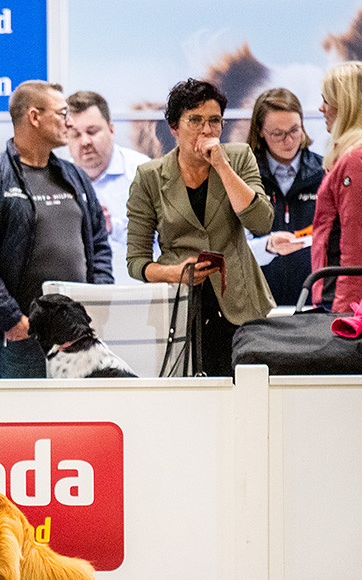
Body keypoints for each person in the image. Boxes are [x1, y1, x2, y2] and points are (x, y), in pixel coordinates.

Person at [0, 80, 113, 379]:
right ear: (34, 117)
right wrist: (12, 320)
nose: (69, 122)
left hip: (79, 339)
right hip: (23, 338)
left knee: (79, 423)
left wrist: (99, 299)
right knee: (24, 424)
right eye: (62, 113)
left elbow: (98, 244)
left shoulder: (75, 177)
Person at [126, 78, 274, 376]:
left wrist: (222, 166)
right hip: (180, 307)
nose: (207, 130)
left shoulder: (239, 157)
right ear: (174, 128)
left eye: (214, 121)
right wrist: (174, 273)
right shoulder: (149, 177)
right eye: (195, 120)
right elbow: (136, 262)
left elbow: (260, 222)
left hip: (239, 303)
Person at [312, 61, 362, 312]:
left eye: (326, 100)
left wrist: (343, 315)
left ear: (347, 106)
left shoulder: (358, 160)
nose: (321, 108)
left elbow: (357, 249)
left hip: (354, 301)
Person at [245, 88, 323, 306]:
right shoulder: (244, 177)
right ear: (260, 131)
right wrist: (268, 246)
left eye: (294, 130)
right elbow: (234, 248)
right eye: (277, 134)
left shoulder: (325, 171)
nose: (288, 141)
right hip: (260, 304)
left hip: (314, 301)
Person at [64, 90, 151, 284]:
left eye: (92, 131)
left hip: (136, 295)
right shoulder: (59, 180)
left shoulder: (143, 172)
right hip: (78, 297)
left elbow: (165, 240)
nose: (85, 141)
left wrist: (112, 228)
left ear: (111, 130)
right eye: (75, 134)